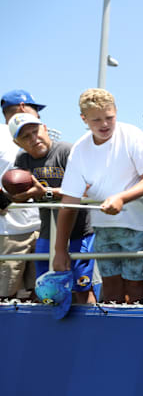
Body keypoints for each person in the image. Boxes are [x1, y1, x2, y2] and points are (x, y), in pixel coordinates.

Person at [53, 88, 143, 303]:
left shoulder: (132, 135)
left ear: (116, 112)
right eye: (96, 120)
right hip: (103, 229)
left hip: (138, 227)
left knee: (136, 289)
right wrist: (59, 249)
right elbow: (69, 203)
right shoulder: (79, 149)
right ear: (84, 119)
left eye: (109, 117)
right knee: (110, 291)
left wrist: (121, 198)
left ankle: (137, 334)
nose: (104, 124)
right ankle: (112, 334)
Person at [8, 113, 96, 303]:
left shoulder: (66, 151)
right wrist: (16, 196)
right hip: (48, 232)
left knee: (82, 288)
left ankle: (90, 329)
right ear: (17, 143)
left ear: (45, 128)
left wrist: (46, 192)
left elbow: (86, 190)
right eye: (26, 137)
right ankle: (50, 331)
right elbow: (25, 197)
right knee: (46, 289)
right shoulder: (22, 160)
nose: (34, 138)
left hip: (79, 231)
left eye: (36, 131)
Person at [0, 120, 39, 300]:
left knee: (41, 291)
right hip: (8, 229)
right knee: (6, 293)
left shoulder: (39, 136)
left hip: (41, 226)